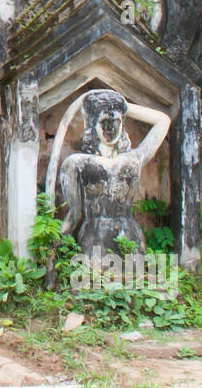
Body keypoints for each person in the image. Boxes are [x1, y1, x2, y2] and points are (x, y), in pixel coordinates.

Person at [44, 89, 170, 260]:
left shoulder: (133, 159)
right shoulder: (78, 163)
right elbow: (74, 213)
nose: (111, 127)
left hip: (130, 236)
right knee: (96, 282)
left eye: (116, 121)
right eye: (104, 121)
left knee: (133, 283)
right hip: (95, 238)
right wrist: (55, 244)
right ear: (92, 124)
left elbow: (163, 121)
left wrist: (123, 106)